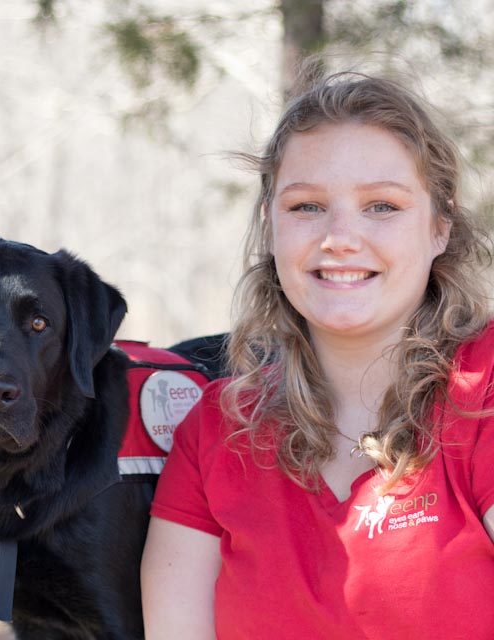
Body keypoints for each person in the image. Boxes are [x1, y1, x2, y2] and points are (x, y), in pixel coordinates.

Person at [140, 70, 494, 639]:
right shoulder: (216, 430)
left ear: (440, 227)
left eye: (382, 206)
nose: (340, 237)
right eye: (307, 207)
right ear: (269, 225)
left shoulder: (484, 388)